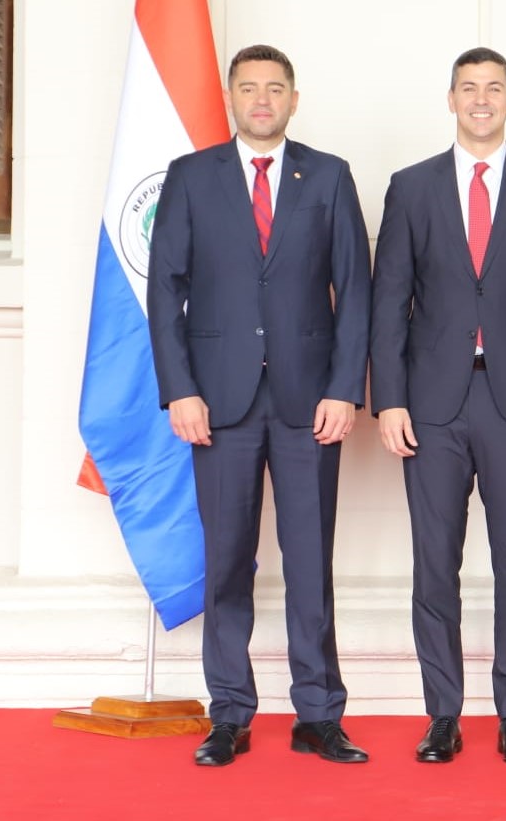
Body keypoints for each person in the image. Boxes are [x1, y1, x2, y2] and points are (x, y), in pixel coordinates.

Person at [147, 44, 371, 767]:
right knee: (228, 563)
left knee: (310, 560)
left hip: (312, 402)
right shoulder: (190, 177)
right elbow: (164, 290)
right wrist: (180, 387)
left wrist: (344, 387)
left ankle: (319, 713)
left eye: (276, 88)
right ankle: (230, 713)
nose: (263, 100)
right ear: (232, 96)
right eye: (249, 88)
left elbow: (357, 291)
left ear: (294, 99)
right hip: (217, 401)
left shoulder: (330, 177)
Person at [370, 47, 506, 766]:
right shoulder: (412, 186)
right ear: (451, 99)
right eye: (470, 88)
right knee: (435, 562)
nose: (482, 99)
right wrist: (389, 401)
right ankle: (442, 714)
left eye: (494, 88)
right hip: (430, 405)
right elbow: (387, 301)